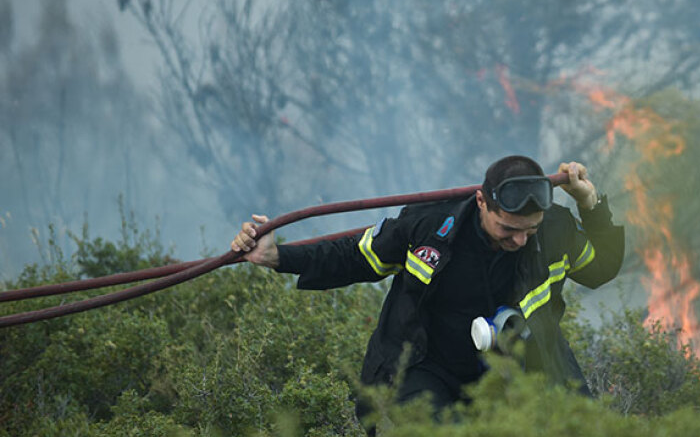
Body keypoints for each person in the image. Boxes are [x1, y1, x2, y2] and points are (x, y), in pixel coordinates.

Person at [231, 155, 624, 421]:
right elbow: (353, 257)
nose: (520, 240)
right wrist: (278, 256)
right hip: (425, 368)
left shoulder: (555, 230)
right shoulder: (430, 227)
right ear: (482, 202)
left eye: (530, 230)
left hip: (526, 366)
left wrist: (590, 205)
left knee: (580, 427)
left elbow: (601, 268)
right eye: (508, 229)